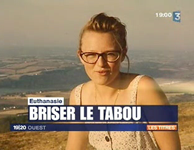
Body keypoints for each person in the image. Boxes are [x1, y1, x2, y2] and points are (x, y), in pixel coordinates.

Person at [66, 13, 181, 150]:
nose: (100, 63)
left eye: (110, 54)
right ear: (80, 56)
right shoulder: (79, 97)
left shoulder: (144, 90)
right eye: (91, 55)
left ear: (123, 54)